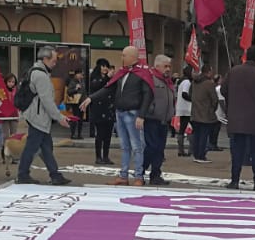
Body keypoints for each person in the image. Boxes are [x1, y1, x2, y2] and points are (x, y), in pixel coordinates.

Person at [82, 45, 153, 186]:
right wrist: (91, 98)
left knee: (137, 146)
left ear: (133, 57)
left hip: (133, 113)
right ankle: (124, 175)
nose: (122, 58)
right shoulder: (122, 73)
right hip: (120, 112)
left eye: (124, 55)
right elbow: (108, 88)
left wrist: (142, 115)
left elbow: (148, 94)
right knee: (125, 146)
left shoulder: (142, 73)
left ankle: (139, 176)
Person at [17, 45, 73, 186]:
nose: (55, 64)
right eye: (53, 61)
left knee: (45, 147)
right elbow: (47, 100)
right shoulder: (41, 75)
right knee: (33, 147)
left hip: (37, 116)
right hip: (38, 117)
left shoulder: (36, 71)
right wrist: (59, 118)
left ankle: (55, 175)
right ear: (45, 59)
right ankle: (23, 174)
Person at [223, 45, 255, 190]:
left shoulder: (233, 72)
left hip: (236, 119)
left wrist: (231, 105)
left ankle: (234, 180)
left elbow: (223, 89)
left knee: (237, 152)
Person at [141, 53, 176, 186]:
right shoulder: (151, 79)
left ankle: (155, 174)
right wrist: (151, 110)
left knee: (160, 149)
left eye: (169, 66)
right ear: (157, 66)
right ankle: (141, 171)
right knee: (151, 147)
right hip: (152, 119)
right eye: (165, 66)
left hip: (164, 120)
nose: (168, 69)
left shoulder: (168, 81)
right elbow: (145, 97)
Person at [87, 58, 115, 164]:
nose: (105, 68)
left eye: (107, 66)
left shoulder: (110, 79)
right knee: (100, 134)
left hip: (109, 109)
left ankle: (106, 156)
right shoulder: (95, 78)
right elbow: (97, 87)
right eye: (103, 66)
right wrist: (107, 77)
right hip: (98, 110)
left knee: (108, 135)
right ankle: (98, 156)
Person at [189, 69, 219, 163]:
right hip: (206, 113)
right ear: (208, 72)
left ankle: (196, 154)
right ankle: (201, 155)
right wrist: (212, 109)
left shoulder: (194, 82)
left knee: (197, 135)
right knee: (204, 136)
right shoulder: (209, 84)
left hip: (195, 113)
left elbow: (190, 95)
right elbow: (214, 99)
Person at [175, 65, 194, 156]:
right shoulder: (187, 82)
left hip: (181, 107)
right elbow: (184, 94)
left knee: (182, 129)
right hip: (187, 108)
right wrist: (192, 99)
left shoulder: (181, 81)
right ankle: (191, 149)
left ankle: (180, 149)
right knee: (192, 128)